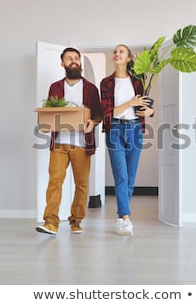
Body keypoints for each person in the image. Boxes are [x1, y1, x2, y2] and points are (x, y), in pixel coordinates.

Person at [36, 47, 102, 235]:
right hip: (59, 143)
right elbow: (50, 113)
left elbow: (98, 114)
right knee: (55, 182)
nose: (73, 61)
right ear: (62, 63)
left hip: (82, 143)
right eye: (69, 58)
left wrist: (93, 122)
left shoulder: (90, 88)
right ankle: (51, 222)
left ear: (79, 62)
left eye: (76, 58)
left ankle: (76, 220)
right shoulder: (55, 88)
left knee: (82, 184)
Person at [101, 44, 154, 236]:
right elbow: (107, 113)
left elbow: (146, 108)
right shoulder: (106, 83)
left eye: (121, 51)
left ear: (129, 58)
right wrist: (130, 103)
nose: (116, 54)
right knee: (121, 175)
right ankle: (125, 218)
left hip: (135, 129)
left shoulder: (139, 82)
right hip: (114, 128)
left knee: (130, 176)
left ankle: (121, 218)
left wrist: (151, 111)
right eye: (115, 52)